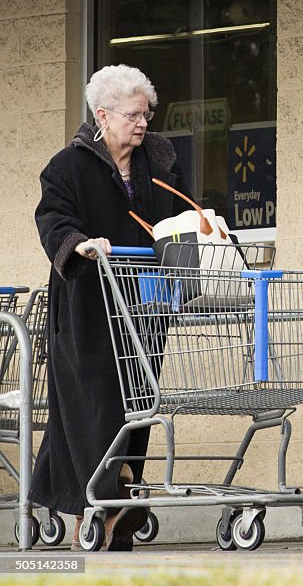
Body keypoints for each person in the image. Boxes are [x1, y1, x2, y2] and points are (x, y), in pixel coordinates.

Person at [32, 64, 193, 550]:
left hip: (143, 306)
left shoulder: (160, 160)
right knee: (94, 405)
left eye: (147, 114)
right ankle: (99, 505)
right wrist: (78, 244)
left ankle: (117, 498)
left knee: (138, 404)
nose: (142, 124)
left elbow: (183, 215)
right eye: (132, 115)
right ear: (102, 116)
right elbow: (53, 218)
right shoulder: (67, 166)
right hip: (86, 307)